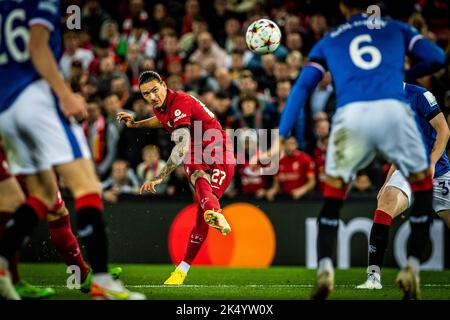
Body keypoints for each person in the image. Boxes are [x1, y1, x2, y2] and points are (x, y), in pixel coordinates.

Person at [264, 0, 445, 300]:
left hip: (351, 116)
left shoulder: (331, 38)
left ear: (344, 7)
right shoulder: (396, 29)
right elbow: (437, 57)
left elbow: (302, 88)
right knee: (423, 193)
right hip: (393, 111)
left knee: (333, 200)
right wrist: (398, 73)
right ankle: (412, 266)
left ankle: (324, 268)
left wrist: (281, 136)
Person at [0, 0, 143, 300]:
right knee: (86, 184)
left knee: (42, 194)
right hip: (33, 98)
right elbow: (38, 47)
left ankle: (3, 263)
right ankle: (101, 280)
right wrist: (65, 95)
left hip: (5, 108)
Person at [117, 70, 235, 285]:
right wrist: (137, 124)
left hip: (220, 154)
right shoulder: (162, 106)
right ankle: (213, 215)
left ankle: (212, 213)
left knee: (201, 204)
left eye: (155, 90)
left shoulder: (180, 102)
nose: (152, 97)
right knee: (197, 177)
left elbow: (181, 145)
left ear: (163, 84)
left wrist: (160, 177)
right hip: (198, 154)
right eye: (146, 94)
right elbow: (161, 120)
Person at [357, 84, 450, 291]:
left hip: (438, 172)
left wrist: (432, 163)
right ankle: (373, 276)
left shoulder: (421, 95)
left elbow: (444, 130)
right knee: (386, 201)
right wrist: (387, 182)